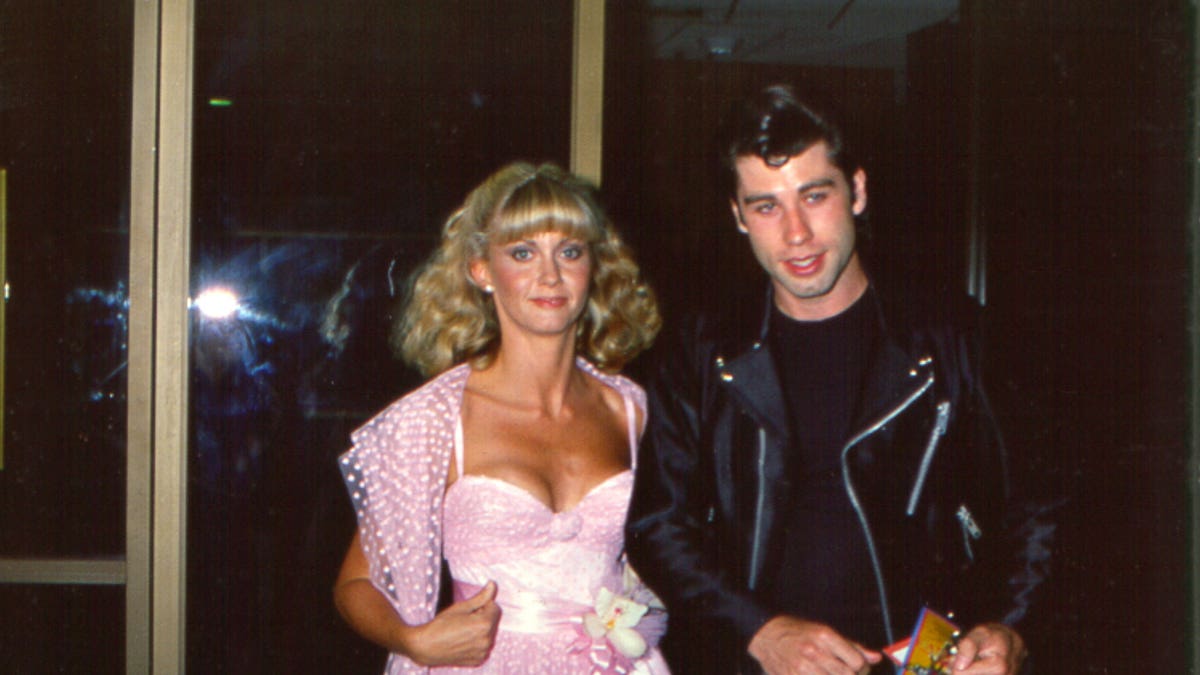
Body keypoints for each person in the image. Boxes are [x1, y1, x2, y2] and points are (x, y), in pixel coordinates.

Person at [625, 84, 1052, 675]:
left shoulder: (952, 336)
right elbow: (657, 524)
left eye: (814, 195)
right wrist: (760, 630)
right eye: (766, 206)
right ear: (738, 216)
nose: (795, 233)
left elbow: (1035, 505)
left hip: (922, 662)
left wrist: (1008, 625)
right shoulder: (700, 350)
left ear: (857, 191)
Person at [333, 162, 669, 674]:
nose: (550, 275)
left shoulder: (632, 410)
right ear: (481, 270)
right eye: (522, 253)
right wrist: (413, 640)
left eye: (570, 252)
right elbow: (355, 585)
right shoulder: (435, 419)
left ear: (594, 267)